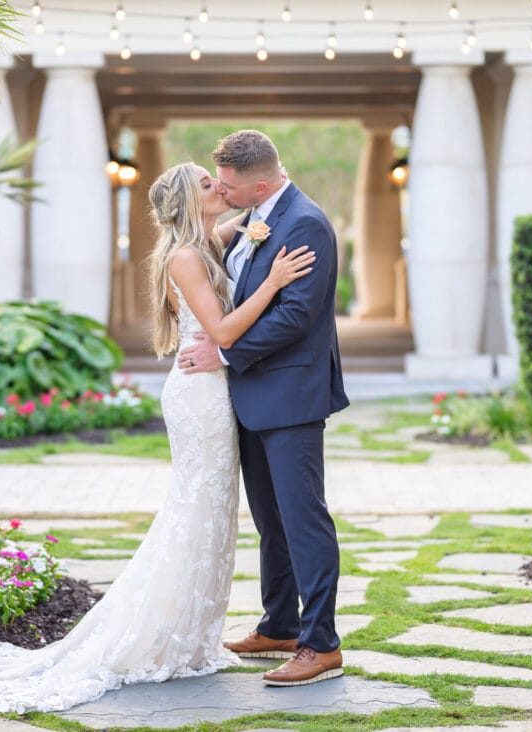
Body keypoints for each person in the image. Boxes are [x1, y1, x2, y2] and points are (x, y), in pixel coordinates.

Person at [0, 161, 315, 714]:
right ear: (188, 201)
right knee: (196, 510)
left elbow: (260, 209)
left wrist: (268, 186)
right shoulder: (184, 256)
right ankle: (149, 637)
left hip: (215, 390)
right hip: (200, 396)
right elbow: (225, 330)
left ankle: (187, 635)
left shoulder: (213, 239)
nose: (220, 189)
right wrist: (276, 282)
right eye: (209, 184)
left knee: (212, 513)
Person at [178, 130, 349, 687]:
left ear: (260, 182)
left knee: (304, 521)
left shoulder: (305, 223)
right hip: (253, 396)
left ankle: (320, 644)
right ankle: (279, 624)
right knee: (271, 522)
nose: (222, 193)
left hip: (291, 396)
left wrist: (225, 353)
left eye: (227, 186)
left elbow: (295, 317)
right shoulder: (258, 215)